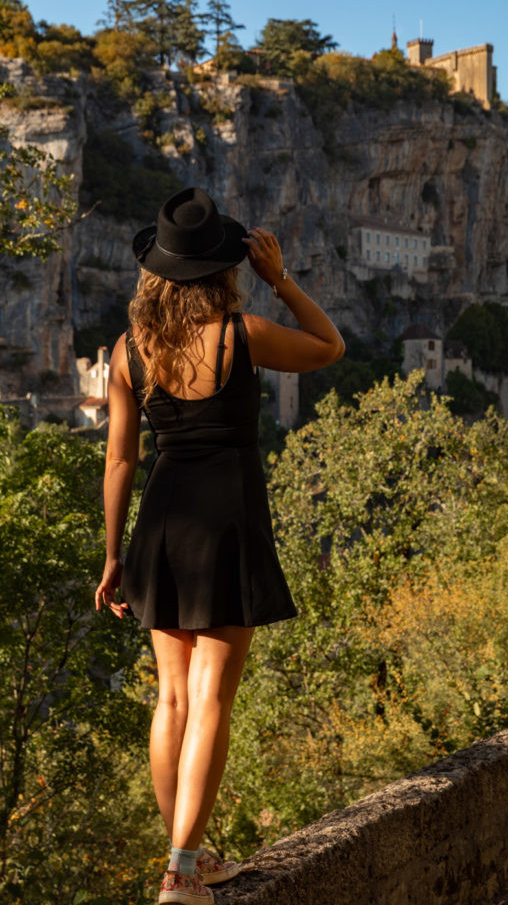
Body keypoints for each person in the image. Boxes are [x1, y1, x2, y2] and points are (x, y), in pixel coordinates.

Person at [94, 187, 344, 905]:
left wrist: (113, 557)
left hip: (161, 523)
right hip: (227, 519)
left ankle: (185, 860)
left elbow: (119, 462)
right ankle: (182, 869)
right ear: (221, 269)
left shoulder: (126, 351)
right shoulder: (243, 333)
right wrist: (281, 279)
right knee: (210, 701)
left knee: (171, 697)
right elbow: (330, 347)